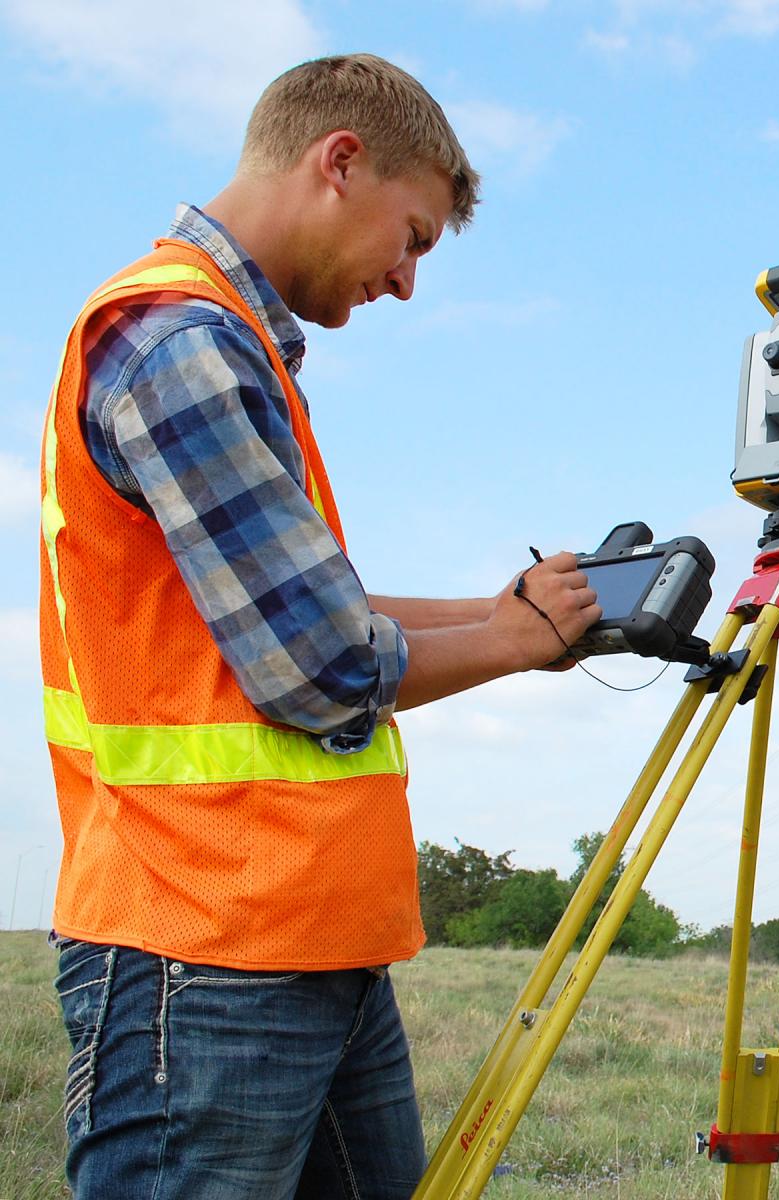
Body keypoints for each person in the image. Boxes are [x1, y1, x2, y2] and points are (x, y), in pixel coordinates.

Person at [39, 53, 600, 1199]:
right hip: (202, 953)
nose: (405, 281)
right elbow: (322, 661)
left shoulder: (226, 345)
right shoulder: (177, 341)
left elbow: (314, 605)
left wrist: (502, 614)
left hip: (303, 939)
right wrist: (516, 644)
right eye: (414, 237)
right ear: (339, 163)